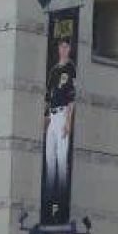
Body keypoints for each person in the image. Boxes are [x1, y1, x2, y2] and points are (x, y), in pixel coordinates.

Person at [42, 35, 76, 222]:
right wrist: (45, 117)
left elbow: (72, 99)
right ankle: (49, 196)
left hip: (63, 115)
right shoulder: (54, 70)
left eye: (66, 46)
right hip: (52, 115)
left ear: (69, 49)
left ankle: (61, 198)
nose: (63, 49)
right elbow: (48, 96)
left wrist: (68, 123)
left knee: (62, 159)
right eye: (61, 46)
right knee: (50, 158)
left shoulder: (70, 69)